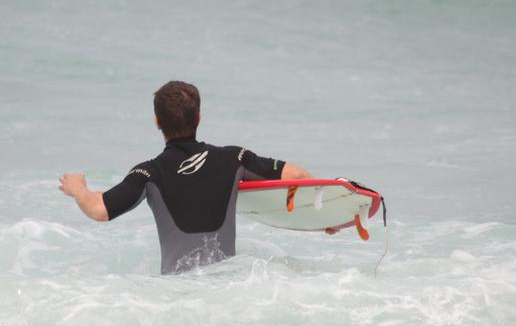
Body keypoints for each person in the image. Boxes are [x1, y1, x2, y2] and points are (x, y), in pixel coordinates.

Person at [59, 80, 336, 274]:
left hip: (178, 296)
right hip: (229, 288)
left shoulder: (148, 172)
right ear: (199, 118)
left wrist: (78, 188)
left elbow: (98, 209)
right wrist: (323, 219)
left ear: (157, 122)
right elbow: (297, 176)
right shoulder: (234, 158)